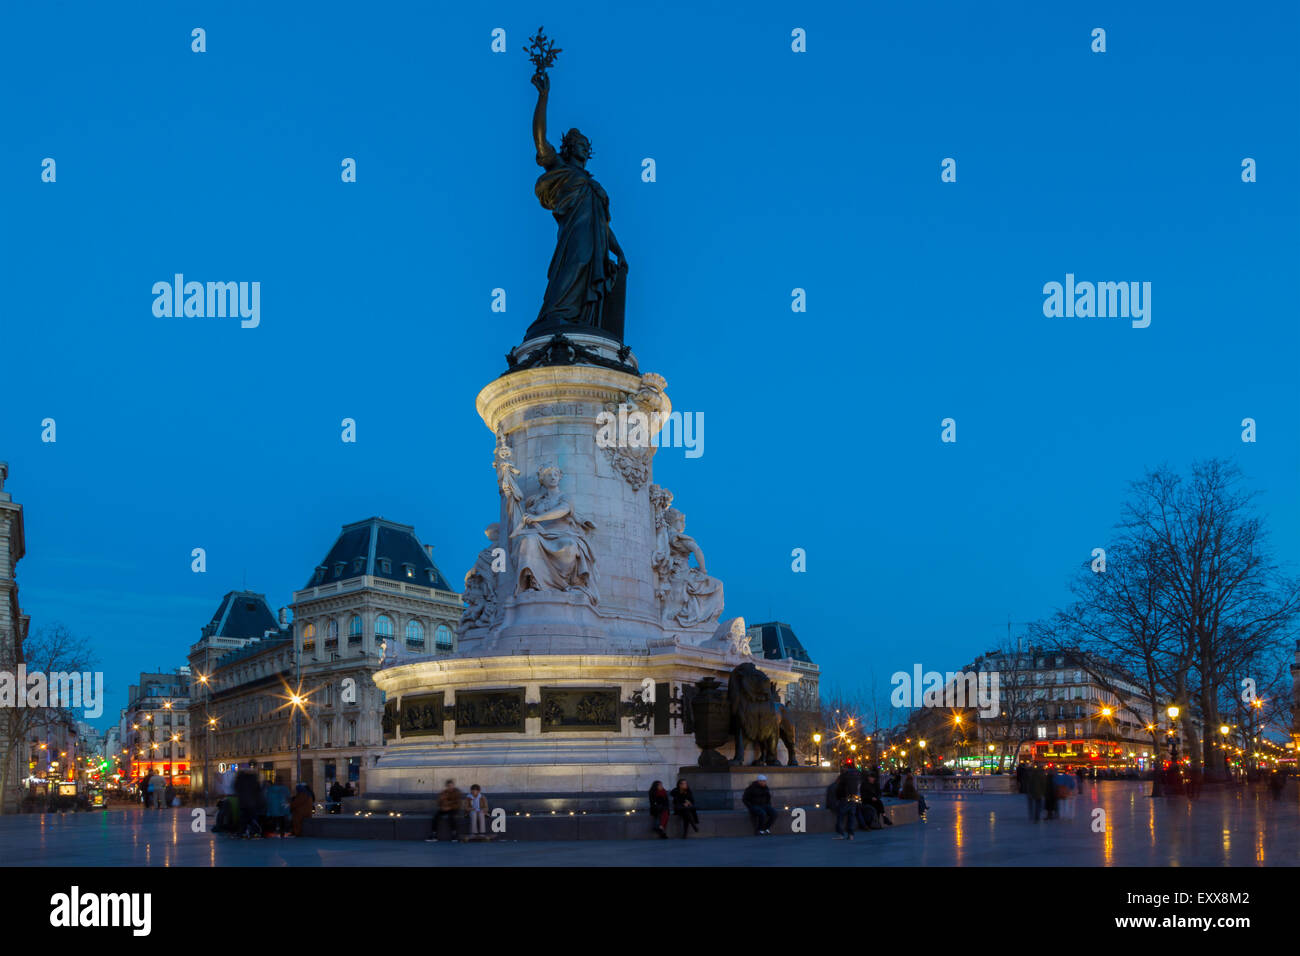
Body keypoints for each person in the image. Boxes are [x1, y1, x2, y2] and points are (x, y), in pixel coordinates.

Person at [833, 760, 863, 840]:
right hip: (854, 798)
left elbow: (838, 785)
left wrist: (838, 797)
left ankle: (840, 834)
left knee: (841, 815)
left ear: (846, 767)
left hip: (846, 797)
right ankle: (851, 834)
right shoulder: (858, 774)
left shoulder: (845, 774)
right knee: (851, 816)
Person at [233, 763, 264, 838]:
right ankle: (255, 832)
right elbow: (258, 790)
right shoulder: (253, 779)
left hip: (243, 803)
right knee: (253, 818)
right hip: (252, 803)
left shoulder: (240, 780)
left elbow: (236, 788)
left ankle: (242, 832)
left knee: (243, 818)